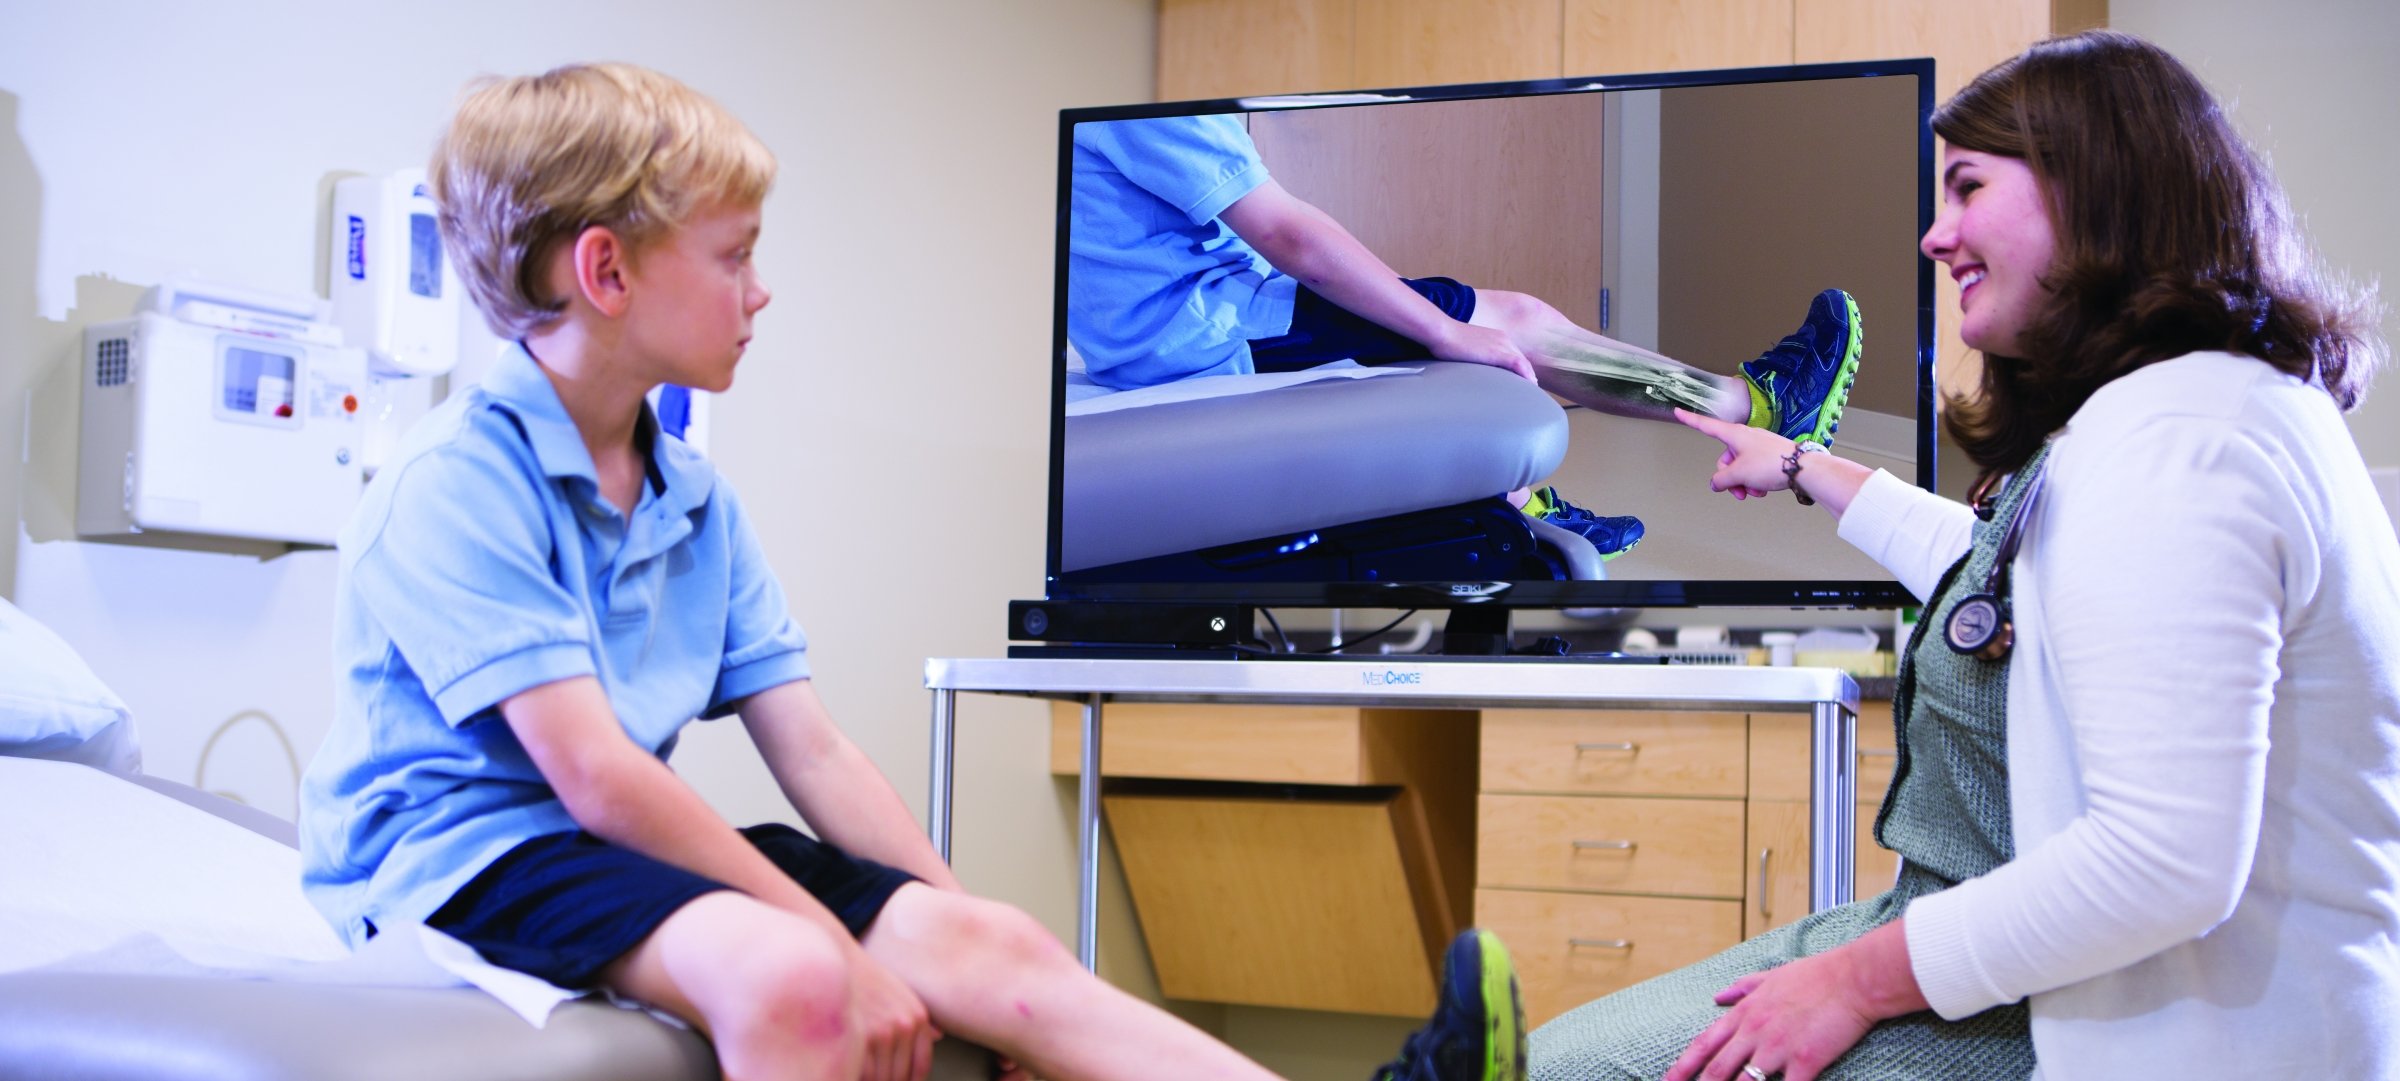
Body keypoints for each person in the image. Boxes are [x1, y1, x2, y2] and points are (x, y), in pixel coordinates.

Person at [296, 62, 1532, 1081]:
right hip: (454, 869)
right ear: (608, 272)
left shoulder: (691, 496)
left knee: (992, 942)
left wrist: (953, 940)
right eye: (732, 257)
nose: (760, 289)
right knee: (793, 975)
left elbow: (815, 752)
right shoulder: (457, 479)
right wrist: (831, 942)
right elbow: (600, 777)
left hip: (597, 854)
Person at [1533, 29, 2399, 1081]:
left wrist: (1850, 980)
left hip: (2167, 1032)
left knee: (1561, 1071)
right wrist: (1807, 465)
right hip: (2105, 990)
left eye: (1967, 188)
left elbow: (2163, 864)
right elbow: (2015, 573)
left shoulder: (2182, 444)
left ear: (2096, 185)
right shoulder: (2194, 410)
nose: (1934, 237)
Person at [1068, 113, 1865, 559]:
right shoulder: (1152, 107)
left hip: (1168, 329)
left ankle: (1526, 504)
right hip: (1210, 333)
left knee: (1458, 315)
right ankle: (1759, 405)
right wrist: (1444, 331)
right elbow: (1291, 237)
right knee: (1506, 318)